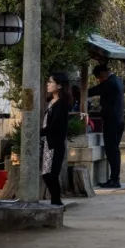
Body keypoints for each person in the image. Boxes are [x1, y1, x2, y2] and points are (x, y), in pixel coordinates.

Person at [89, 63, 125, 188]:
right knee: (114, 150)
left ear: (103, 74)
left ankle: (115, 179)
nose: (99, 80)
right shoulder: (118, 80)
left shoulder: (110, 82)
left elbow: (94, 90)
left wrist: (79, 92)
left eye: (99, 77)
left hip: (112, 121)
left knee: (112, 151)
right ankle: (114, 178)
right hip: (119, 119)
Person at [41, 72, 70, 206]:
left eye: (51, 82)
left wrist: (40, 132)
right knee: (47, 174)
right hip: (48, 142)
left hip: (55, 143)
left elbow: (55, 125)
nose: (48, 84)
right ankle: (56, 202)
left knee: (51, 174)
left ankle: (57, 203)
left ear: (59, 85)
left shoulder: (61, 104)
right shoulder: (51, 102)